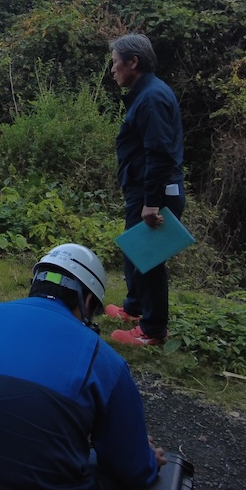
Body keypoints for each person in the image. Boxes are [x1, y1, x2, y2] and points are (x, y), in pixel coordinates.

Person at [0, 244, 165, 490]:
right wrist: (147, 459)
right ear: (87, 301)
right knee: (110, 471)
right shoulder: (106, 360)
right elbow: (132, 468)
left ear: (36, 283)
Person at [106, 33, 186, 347]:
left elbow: (159, 153)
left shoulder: (152, 97)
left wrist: (151, 202)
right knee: (135, 250)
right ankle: (134, 309)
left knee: (148, 258)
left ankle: (152, 331)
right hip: (143, 189)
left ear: (133, 62)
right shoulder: (146, 93)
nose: (113, 69)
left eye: (115, 63)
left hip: (155, 192)